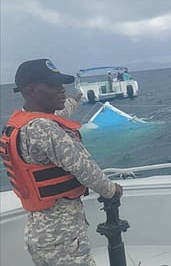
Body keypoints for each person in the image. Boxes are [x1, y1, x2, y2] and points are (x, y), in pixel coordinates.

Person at [0, 59, 123, 266]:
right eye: (53, 85)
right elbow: (84, 169)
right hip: (62, 236)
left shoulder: (25, 122)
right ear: (31, 90)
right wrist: (111, 189)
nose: (61, 90)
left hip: (42, 232)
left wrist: (75, 100)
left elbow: (59, 114)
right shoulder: (45, 129)